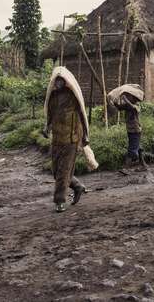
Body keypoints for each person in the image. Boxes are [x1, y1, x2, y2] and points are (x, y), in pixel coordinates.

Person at [43, 67, 96, 213]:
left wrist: (85, 136)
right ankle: (78, 186)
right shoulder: (53, 96)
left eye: (61, 80)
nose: (59, 83)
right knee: (56, 172)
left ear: (66, 82)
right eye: (57, 80)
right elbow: (49, 115)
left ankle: (59, 201)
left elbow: (83, 116)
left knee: (63, 172)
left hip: (71, 140)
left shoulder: (73, 96)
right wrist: (46, 128)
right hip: (57, 140)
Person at [119, 91, 148, 170]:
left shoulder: (137, 105)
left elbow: (133, 108)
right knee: (137, 147)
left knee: (132, 149)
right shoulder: (127, 105)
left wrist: (125, 99)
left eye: (130, 96)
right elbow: (119, 107)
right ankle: (143, 165)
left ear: (134, 98)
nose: (128, 97)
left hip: (136, 130)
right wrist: (113, 101)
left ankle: (126, 168)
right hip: (130, 130)